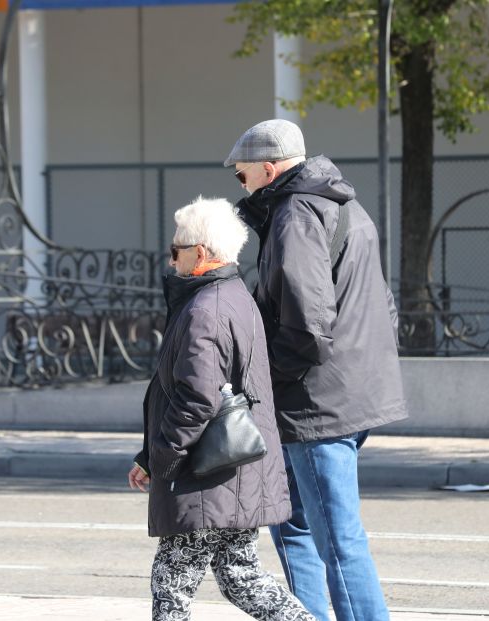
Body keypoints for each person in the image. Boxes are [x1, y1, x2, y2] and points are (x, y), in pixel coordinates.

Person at [225, 119, 408, 621]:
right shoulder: (343, 202)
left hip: (315, 403)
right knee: (295, 525)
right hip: (350, 392)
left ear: (268, 168)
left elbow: (307, 325)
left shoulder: (296, 213)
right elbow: (383, 306)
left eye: (242, 177)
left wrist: (265, 381)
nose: (241, 185)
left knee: (334, 538)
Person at [128, 197, 315, 621]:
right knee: (240, 575)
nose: (171, 256)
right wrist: (149, 455)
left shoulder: (204, 310)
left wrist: (163, 457)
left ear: (203, 253)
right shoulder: (231, 295)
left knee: (172, 585)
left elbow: (197, 397)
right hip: (231, 468)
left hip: (206, 474)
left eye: (178, 248)